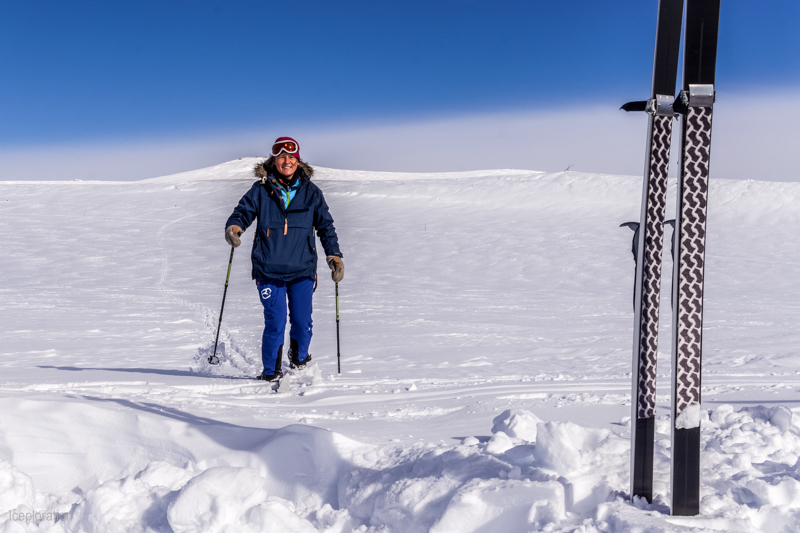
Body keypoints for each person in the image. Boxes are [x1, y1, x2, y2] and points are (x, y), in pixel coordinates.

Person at [224, 137, 344, 381]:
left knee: (301, 321)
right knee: (275, 322)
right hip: (269, 270)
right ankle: (271, 372)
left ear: (298, 161)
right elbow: (242, 213)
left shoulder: (312, 192)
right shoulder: (260, 190)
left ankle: (300, 359)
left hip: (302, 270)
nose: (286, 161)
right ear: (274, 161)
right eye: (281, 157)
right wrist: (234, 228)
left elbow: (326, 227)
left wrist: (334, 256)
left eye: (291, 157)